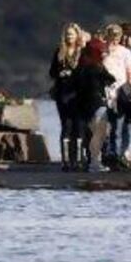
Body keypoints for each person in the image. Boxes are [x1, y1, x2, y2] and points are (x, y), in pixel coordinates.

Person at [103, 23, 131, 167]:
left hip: (121, 93)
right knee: (105, 127)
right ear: (106, 37)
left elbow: (129, 73)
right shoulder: (102, 51)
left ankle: (118, 155)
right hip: (105, 93)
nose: (114, 40)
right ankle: (108, 154)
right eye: (112, 37)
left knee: (120, 126)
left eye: (117, 37)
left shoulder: (125, 52)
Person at [76, 38, 115, 172]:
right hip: (98, 102)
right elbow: (111, 79)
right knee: (99, 133)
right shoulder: (97, 67)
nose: (103, 53)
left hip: (84, 105)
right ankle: (95, 163)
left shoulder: (81, 66)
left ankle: (91, 161)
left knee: (90, 133)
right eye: (101, 51)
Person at [49, 22, 84, 171]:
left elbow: (87, 71)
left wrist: (74, 74)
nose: (70, 36)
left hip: (78, 94)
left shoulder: (82, 51)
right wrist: (60, 73)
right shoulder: (59, 51)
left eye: (72, 34)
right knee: (66, 125)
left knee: (79, 126)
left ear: (77, 36)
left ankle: (79, 160)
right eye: (68, 34)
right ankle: (66, 161)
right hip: (62, 93)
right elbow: (51, 72)